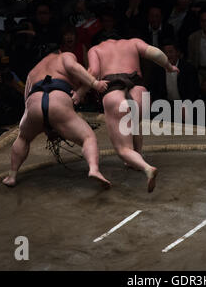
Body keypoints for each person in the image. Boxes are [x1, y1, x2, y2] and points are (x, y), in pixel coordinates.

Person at [74, 38, 179, 193]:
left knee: (123, 149)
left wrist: (79, 93)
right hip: (138, 89)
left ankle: (146, 168)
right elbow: (155, 53)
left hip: (113, 90)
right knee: (135, 125)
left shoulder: (95, 49)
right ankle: (137, 157)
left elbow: (93, 73)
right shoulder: (133, 42)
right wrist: (169, 66)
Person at [2, 51, 111, 188]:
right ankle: (94, 169)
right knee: (88, 138)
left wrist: (47, 127)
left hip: (34, 104)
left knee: (23, 138)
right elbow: (73, 67)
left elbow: (26, 102)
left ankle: (12, 176)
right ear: (57, 51)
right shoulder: (64, 56)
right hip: (58, 100)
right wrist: (95, 84)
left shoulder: (33, 71)